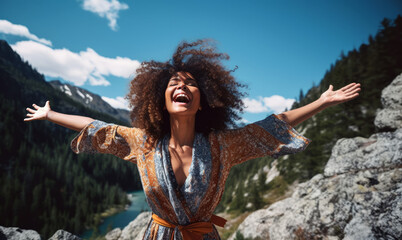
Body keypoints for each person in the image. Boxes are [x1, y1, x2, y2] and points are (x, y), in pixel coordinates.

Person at [25, 40, 361, 240]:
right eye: (174, 83)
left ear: (203, 101)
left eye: (191, 84)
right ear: (161, 98)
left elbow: (271, 126)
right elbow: (96, 126)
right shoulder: (141, 142)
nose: (182, 87)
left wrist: (322, 102)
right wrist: (51, 114)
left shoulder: (223, 146)